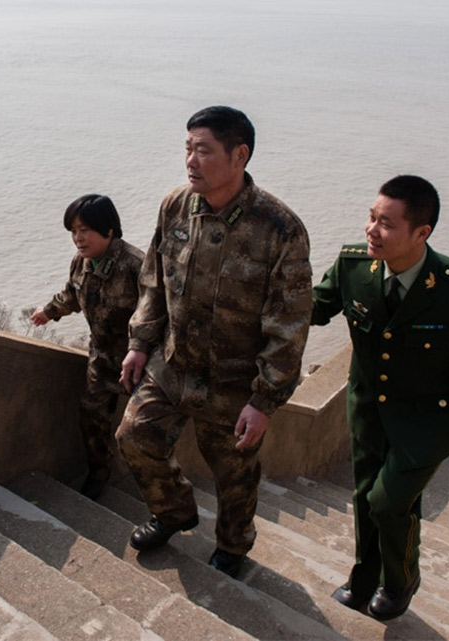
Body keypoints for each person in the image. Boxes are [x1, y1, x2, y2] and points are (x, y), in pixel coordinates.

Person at [115, 106, 312, 578]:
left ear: (239, 155)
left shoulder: (280, 229)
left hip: (234, 382)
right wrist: (140, 342)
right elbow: (154, 282)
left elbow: (289, 323)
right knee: (134, 437)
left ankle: (233, 546)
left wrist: (263, 400)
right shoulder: (175, 206)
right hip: (174, 364)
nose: (191, 160)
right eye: (187, 149)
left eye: (203, 150)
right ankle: (174, 511)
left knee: (234, 475)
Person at [310, 175, 449, 620]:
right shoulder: (353, 266)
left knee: (387, 501)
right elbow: (313, 308)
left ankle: (400, 582)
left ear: (422, 233)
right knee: (365, 497)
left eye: (387, 224)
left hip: (428, 419)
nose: (372, 230)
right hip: (370, 410)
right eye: (371, 218)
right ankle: (364, 580)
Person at [32, 194, 145, 499]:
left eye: (85, 230)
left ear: (108, 230)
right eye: (73, 231)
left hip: (141, 362)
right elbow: (72, 294)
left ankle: (156, 487)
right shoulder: (81, 264)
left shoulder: (136, 266)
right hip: (102, 359)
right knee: (91, 417)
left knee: (142, 429)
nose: (78, 238)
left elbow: (162, 312)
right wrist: (48, 312)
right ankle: (98, 474)